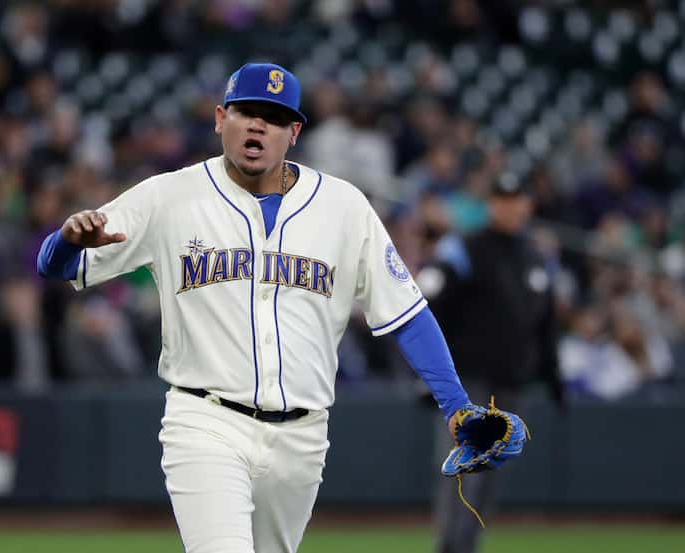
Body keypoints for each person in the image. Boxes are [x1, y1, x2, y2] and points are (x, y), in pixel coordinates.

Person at [37, 62, 474, 553]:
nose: (258, 125)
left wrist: (456, 406)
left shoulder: (344, 207)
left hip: (303, 438)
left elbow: (407, 313)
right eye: (247, 112)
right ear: (222, 118)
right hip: (206, 420)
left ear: (293, 132)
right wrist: (66, 242)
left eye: (273, 116)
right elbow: (56, 267)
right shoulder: (169, 196)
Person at [416, 172, 563, 553]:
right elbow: (431, 308)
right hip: (469, 382)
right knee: (465, 472)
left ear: (527, 205)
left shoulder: (534, 257)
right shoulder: (464, 249)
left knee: (493, 473)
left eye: (517, 200)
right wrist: (430, 376)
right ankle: (451, 548)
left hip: (513, 381)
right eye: (502, 199)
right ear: (491, 205)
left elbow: (545, 326)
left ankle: (467, 546)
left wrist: (554, 380)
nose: (511, 207)